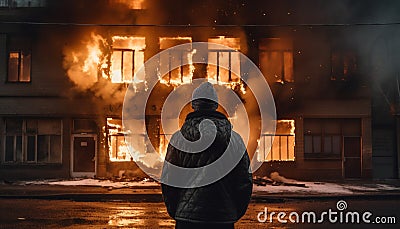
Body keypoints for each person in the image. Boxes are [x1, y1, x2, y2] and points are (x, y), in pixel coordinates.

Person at [161, 82, 253, 229]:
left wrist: (177, 210)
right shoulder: (235, 139)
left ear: (193, 105)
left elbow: (169, 180)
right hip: (223, 219)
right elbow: (244, 181)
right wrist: (234, 211)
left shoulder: (178, 139)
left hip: (187, 220)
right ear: (215, 105)